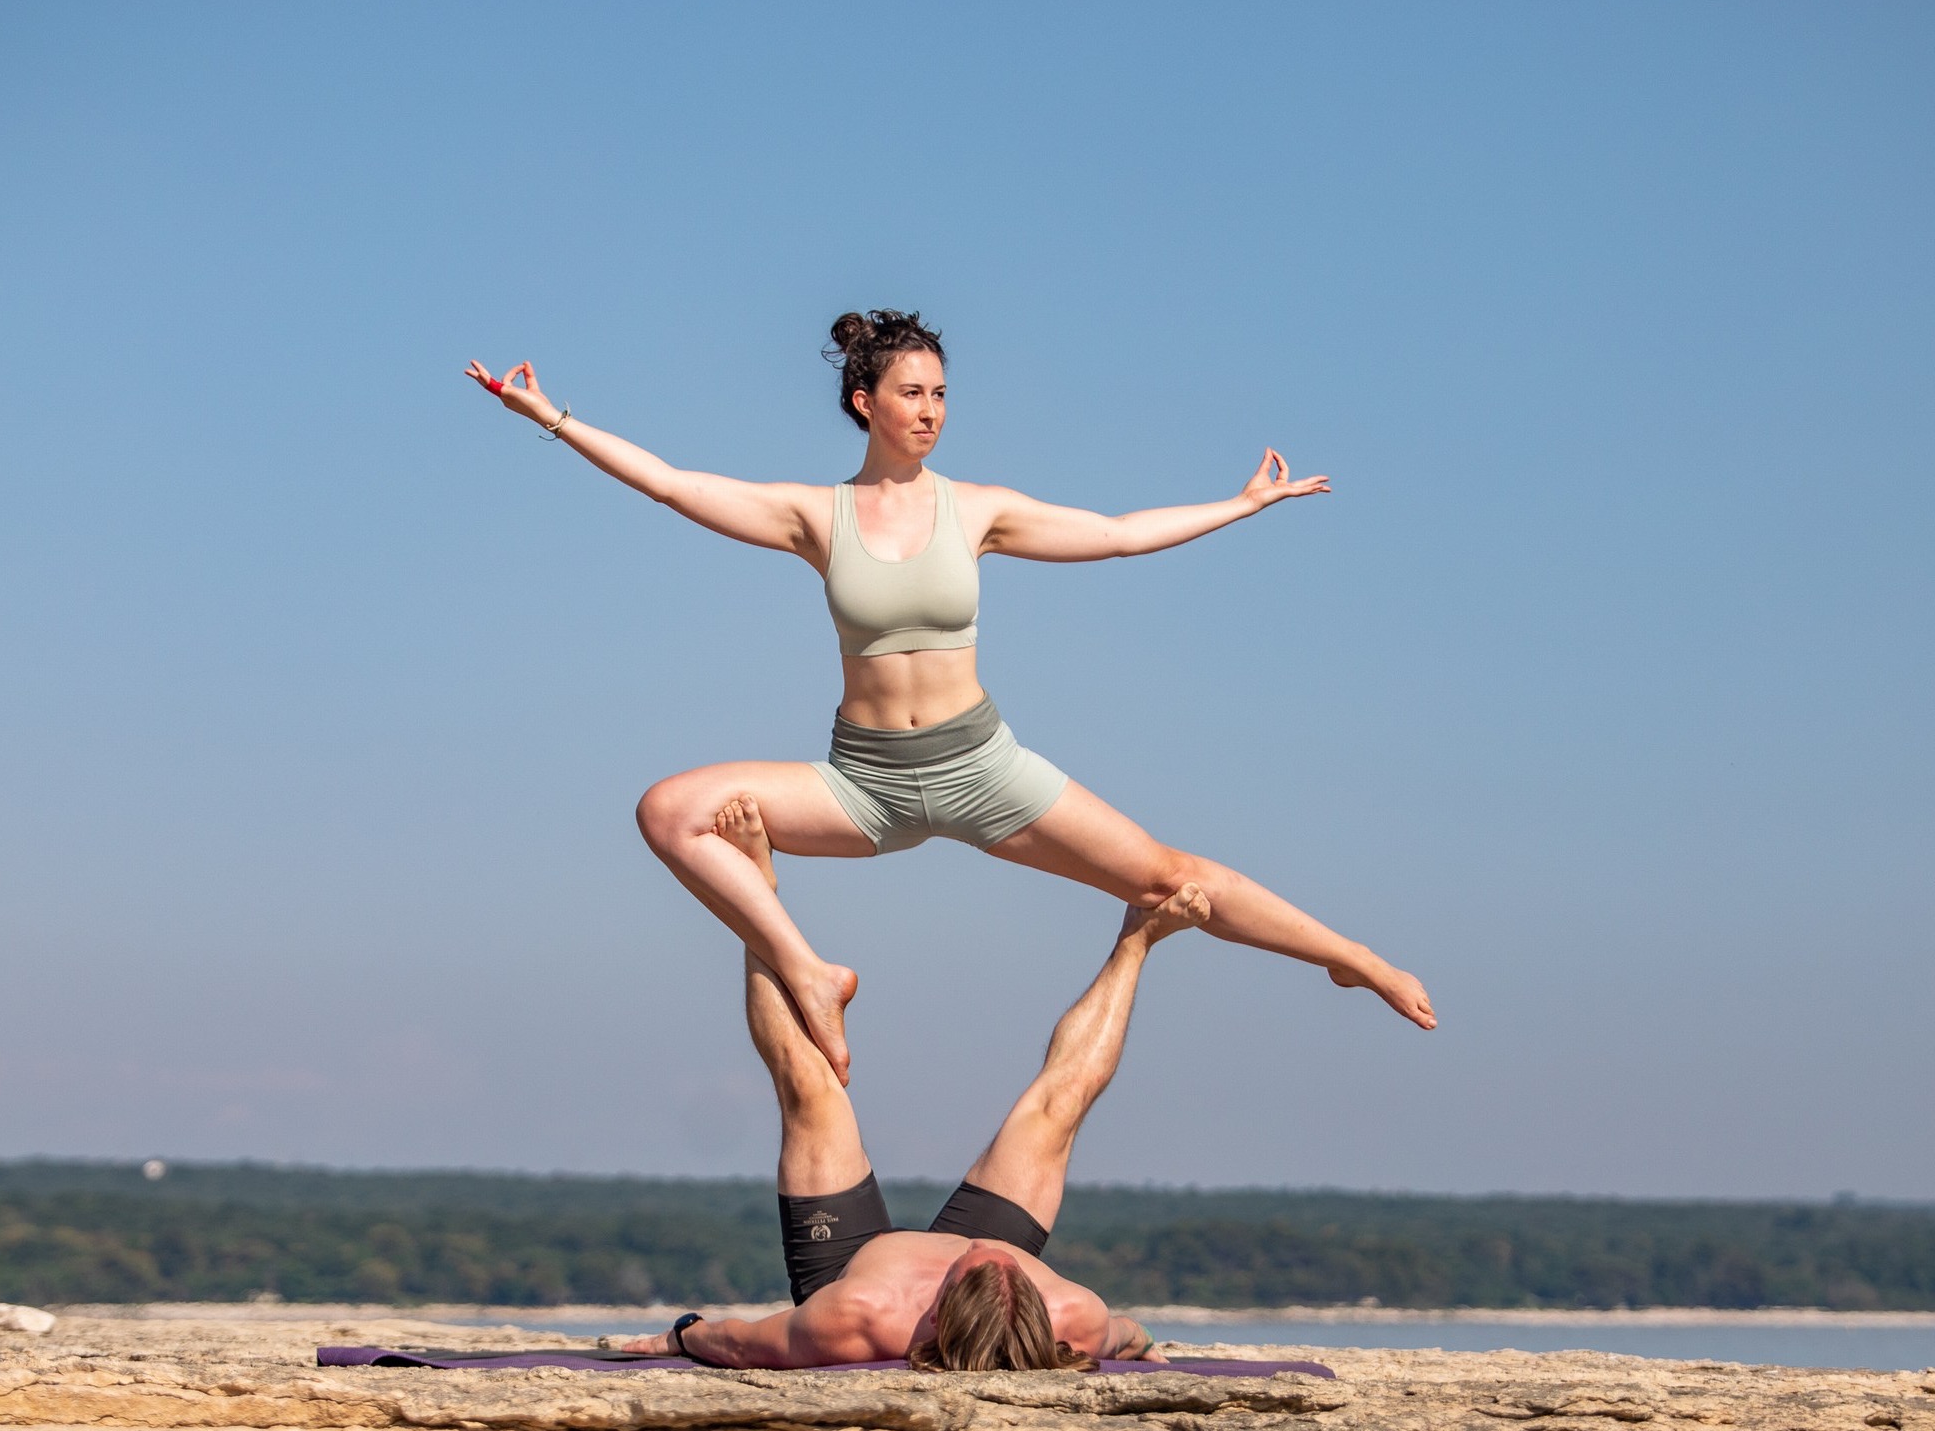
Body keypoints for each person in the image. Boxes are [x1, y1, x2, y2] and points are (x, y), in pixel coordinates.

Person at [466, 310, 1436, 1085]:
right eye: (911, 392)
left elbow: (1116, 534)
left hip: (983, 769)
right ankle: (809, 969)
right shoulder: (815, 515)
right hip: (863, 783)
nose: (930, 410)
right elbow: (672, 485)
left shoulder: (976, 510)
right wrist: (549, 416)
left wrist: (1242, 504)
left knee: (1163, 876)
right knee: (668, 810)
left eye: (940, 393)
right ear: (865, 402)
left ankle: (1352, 957)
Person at [607, 796, 1193, 1369]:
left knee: (809, 1090)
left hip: (849, 1264)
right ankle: (1138, 938)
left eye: (973, 1259)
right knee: (1059, 1105)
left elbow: (739, 1344)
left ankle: (756, 887)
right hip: (983, 1303)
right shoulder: (1075, 1315)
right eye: (1003, 1261)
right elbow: (1126, 1335)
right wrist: (1141, 1340)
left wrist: (684, 1334)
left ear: (936, 1311)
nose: (979, 1246)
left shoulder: (855, 1316)